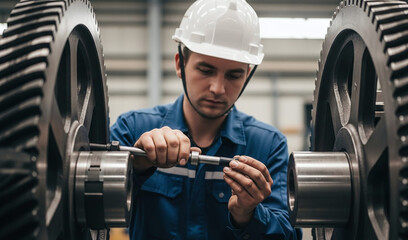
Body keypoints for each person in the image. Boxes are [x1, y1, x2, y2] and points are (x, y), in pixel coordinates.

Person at [110, 0, 302, 239]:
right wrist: (136, 166)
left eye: (233, 75)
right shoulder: (132, 130)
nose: (218, 88)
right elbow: (94, 208)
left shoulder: (268, 145)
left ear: (247, 75)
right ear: (180, 64)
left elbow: (289, 234)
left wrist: (248, 214)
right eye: (206, 70)